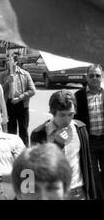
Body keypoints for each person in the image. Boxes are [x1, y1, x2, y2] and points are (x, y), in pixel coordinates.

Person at [31, 90, 97, 200]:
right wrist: (56, 146)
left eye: (71, 114)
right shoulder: (39, 134)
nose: (67, 120)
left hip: (78, 192)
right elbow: (37, 169)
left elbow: (87, 164)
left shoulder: (80, 129)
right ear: (52, 112)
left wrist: (91, 193)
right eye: (62, 115)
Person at [74, 64, 104, 199]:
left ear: (102, 76)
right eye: (91, 75)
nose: (95, 78)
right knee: (93, 176)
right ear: (86, 77)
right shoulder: (78, 96)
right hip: (89, 141)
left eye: (97, 75)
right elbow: (74, 119)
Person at [0, 54, 36, 146]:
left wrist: (19, 98)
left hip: (22, 105)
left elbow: (32, 90)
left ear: (15, 61)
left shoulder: (25, 74)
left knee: (23, 130)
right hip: (8, 104)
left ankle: (25, 152)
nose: (8, 62)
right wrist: (7, 82)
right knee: (11, 131)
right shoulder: (3, 75)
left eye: (10, 60)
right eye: (7, 60)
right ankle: (12, 151)